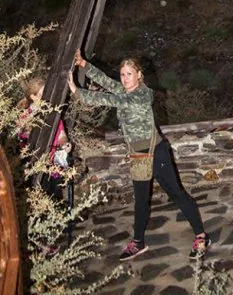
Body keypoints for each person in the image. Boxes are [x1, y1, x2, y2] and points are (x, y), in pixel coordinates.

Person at [67, 50, 210, 262]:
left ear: (139, 75)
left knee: (177, 194)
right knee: (141, 201)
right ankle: (138, 242)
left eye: (129, 74)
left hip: (156, 153)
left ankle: (201, 236)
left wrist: (78, 92)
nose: (125, 79)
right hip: (138, 155)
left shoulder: (142, 95)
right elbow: (107, 82)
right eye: (123, 74)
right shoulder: (125, 90)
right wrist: (84, 65)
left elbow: (112, 101)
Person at [17, 76, 72, 199]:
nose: (46, 97)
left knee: (55, 198)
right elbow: (21, 141)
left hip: (53, 166)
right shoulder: (25, 116)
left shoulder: (53, 113)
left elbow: (62, 136)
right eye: (42, 94)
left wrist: (65, 144)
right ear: (33, 96)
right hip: (34, 168)